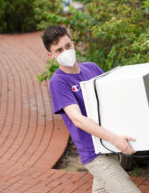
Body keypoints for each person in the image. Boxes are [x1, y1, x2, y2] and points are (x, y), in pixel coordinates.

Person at [42, 25, 142, 193]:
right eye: (59, 50)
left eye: (68, 46)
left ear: (73, 44)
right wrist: (114, 138)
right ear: (51, 55)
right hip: (95, 153)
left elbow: (112, 101)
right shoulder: (58, 82)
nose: (66, 52)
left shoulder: (92, 68)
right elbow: (77, 119)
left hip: (109, 146)